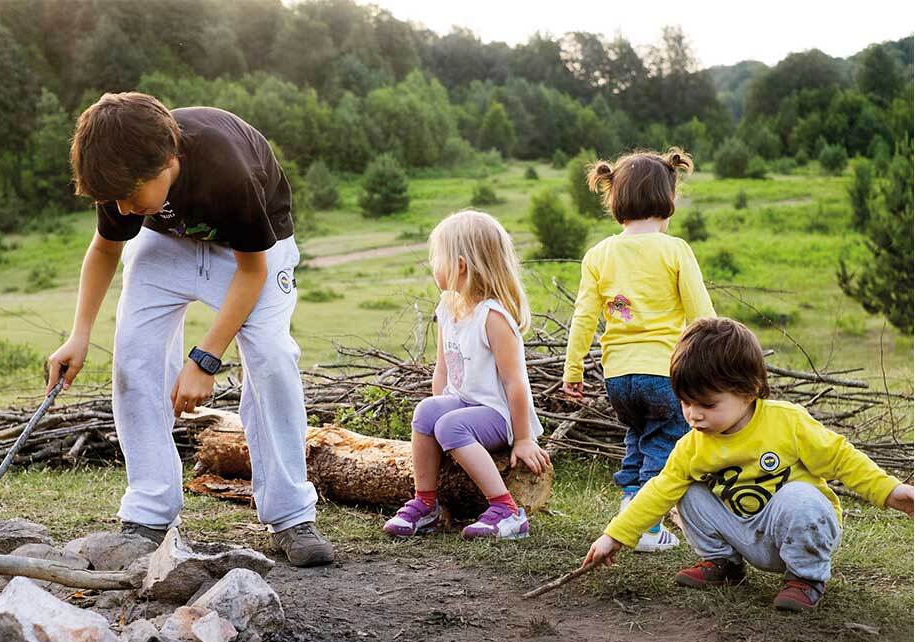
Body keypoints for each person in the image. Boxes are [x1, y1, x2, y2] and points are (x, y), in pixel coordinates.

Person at [45, 92, 333, 566]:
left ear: (168, 162)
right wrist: (78, 334)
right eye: (112, 198)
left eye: (131, 195)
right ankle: (150, 511)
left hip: (252, 253)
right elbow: (104, 249)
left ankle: (291, 516)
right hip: (167, 245)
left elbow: (251, 272)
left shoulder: (228, 169)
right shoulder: (120, 169)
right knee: (135, 356)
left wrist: (205, 358)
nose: (121, 206)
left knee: (272, 358)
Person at [583, 317, 914, 611]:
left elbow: (843, 459)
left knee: (800, 497)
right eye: (685, 402)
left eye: (707, 404)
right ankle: (723, 563)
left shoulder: (787, 422)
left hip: (795, 530)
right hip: (743, 532)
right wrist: (615, 536)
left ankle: (806, 578)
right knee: (682, 488)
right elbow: (657, 493)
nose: (693, 415)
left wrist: (890, 491)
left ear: (750, 389)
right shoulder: (692, 446)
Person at [563, 147, 714, 553]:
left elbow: (583, 318)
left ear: (615, 199)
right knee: (668, 444)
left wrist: (573, 371)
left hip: (618, 377)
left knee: (639, 435)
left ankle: (631, 505)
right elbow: (701, 315)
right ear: (668, 199)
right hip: (665, 372)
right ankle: (646, 524)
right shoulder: (675, 250)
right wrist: (714, 366)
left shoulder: (599, 255)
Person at [383, 210, 551, 540]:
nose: (434, 266)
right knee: (428, 412)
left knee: (449, 424)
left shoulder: (493, 317)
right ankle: (426, 504)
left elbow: (515, 383)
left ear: (460, 265)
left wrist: (523, 438)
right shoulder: (448, 307)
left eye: (438, 258)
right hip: (465, 404)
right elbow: (443, 369)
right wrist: (434, 424)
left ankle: (507, 509)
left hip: (500, 416)